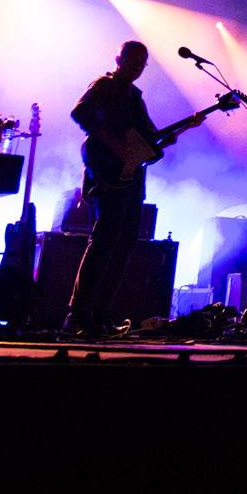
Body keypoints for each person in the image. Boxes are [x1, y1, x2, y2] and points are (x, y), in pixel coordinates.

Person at [64, 40, 157, 337]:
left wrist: (183, 129)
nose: (137, 67)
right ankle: (77, 316)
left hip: (132, 180)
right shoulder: (104, 86)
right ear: (119, 59)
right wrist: (112, 141)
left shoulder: (135, 97)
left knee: (123, 246)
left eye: (142, 63)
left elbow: (150, 139)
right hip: (108, 174)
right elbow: (80, 113)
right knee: (104, 243)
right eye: (133, 61)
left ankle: (99, 316)